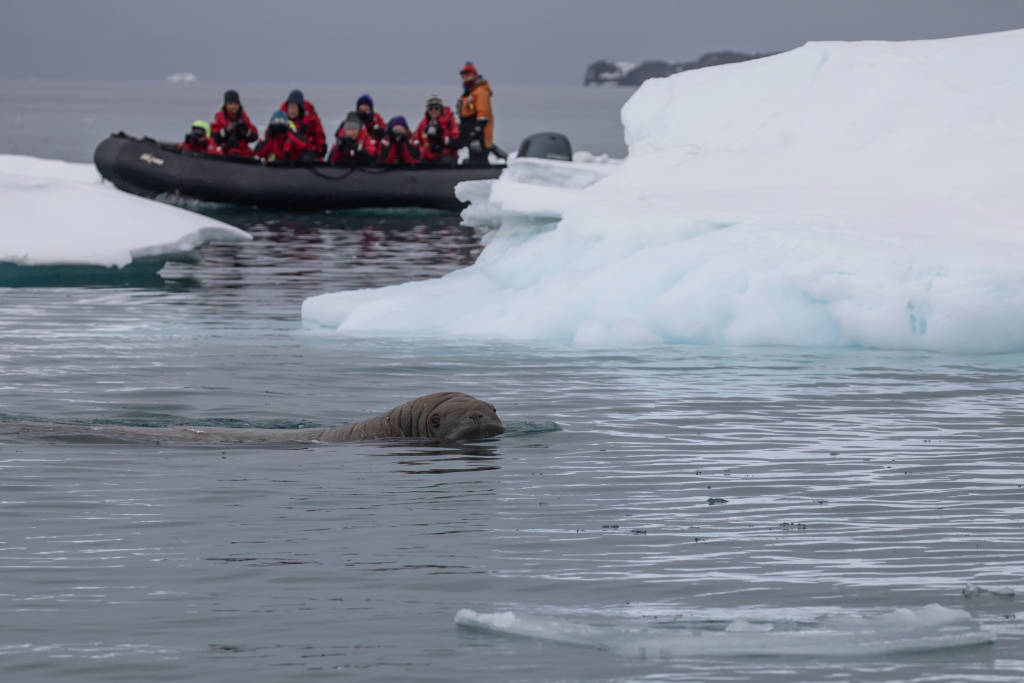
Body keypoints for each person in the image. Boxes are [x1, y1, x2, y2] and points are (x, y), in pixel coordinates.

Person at [456, 61, 494, 165]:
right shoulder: (469, 93)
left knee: (478, 161)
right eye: (463, 75)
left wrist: (476, 135)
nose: (465, 77)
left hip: (479, 136)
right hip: (470, 135)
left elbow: (483, 115)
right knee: (473, 159)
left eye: (468, 74)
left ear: (474, 75)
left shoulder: (480, 91)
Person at [279, 89, 326, 159]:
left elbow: (319, 137)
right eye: (290, 107)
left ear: (300, 108)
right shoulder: (281, 119)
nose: (292, 111)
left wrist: (318, 152)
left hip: (306, 154)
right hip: (286, 153)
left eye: (294, 107)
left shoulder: (311, 120)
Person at [210, 89, 258, 157]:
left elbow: (254, 136)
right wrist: (226, 131)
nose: (233, 107)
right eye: (230, 104)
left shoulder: (244, 118)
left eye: (235, 104)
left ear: (239, 105)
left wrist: (246, 132)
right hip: (226, 152)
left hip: (243, 152)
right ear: (226, 105)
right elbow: (213, 137)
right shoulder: (220, 118)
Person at [415, 94, 459, 165]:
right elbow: (416, 139)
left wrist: (443, 140)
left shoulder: (449, 122)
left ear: (441, 109)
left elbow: (456, 140)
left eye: (436, 108)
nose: (433, 111)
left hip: (446, 155)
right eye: (431, 109)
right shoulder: (423, 124)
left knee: (445, 163)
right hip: (428, 156)